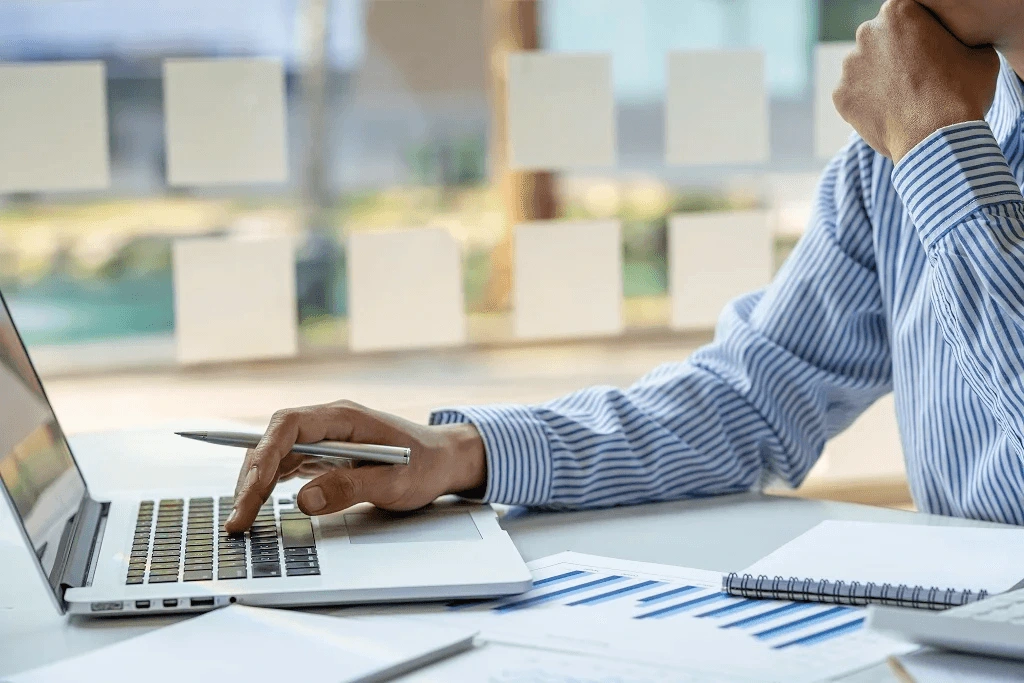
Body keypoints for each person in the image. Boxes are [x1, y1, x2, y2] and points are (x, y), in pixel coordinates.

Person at [226, 0, 1024, 533]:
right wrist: (465, 452)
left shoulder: (923, 140)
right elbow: (750, 399)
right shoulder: (901, 149)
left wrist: (936, 152)